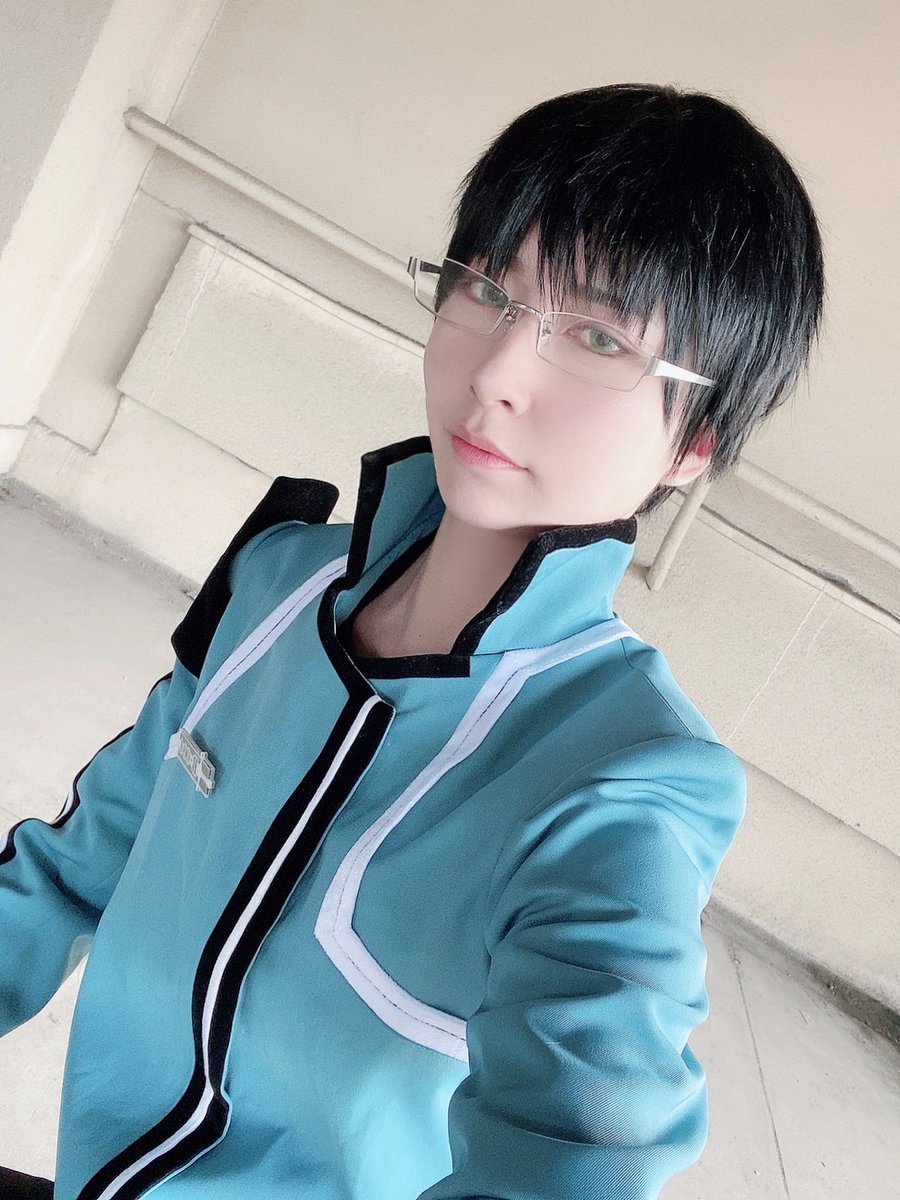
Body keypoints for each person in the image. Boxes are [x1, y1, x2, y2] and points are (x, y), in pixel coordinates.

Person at [0, 82, 823, 1200]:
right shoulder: (278, 582)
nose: (495, 375)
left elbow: (581, 1152)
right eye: (487, 287)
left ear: (697, 445)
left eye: (596, 337)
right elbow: (70, 867)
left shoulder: (625, 779)